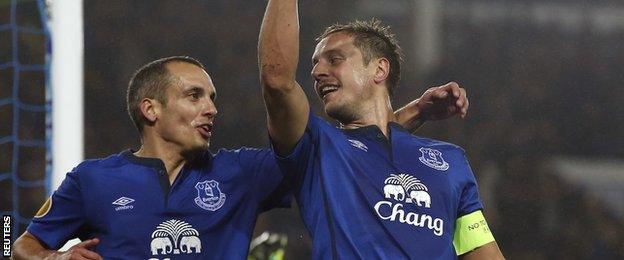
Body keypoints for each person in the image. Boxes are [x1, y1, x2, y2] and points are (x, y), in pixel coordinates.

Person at [12, 55, 468, 259]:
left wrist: (412, 113)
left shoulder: (240, 173)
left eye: (212, 97)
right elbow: (18, 246)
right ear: (150, 109)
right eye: (194, 96)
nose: (211, 108)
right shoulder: (92, 179)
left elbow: (339, 155)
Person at [258, 0, 504, 259]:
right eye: (315, 64)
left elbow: (480, 251)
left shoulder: (450, 160)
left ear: (379, 69)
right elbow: (277, 80)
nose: (317, 71)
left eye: (334, 59)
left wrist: (415, 111)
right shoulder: (317, 148)